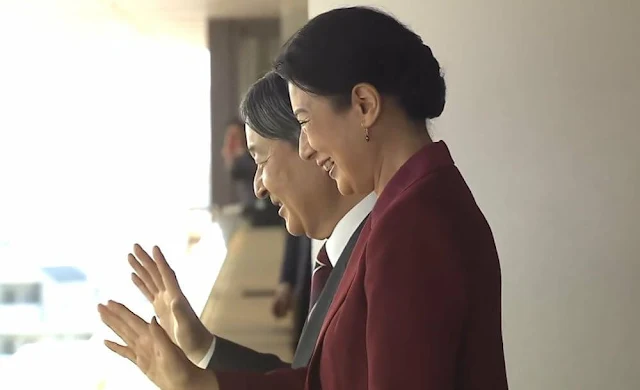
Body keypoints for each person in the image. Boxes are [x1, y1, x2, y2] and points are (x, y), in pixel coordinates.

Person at [100, 6, 509, 390]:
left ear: (364, 105)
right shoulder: (411, 207)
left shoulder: (412, 223)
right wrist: (199, 380)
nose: (307, 147)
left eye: (305, 122)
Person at [98, 71, 375, 376]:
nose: (259, 187)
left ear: (310, 142)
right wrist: (202, 348)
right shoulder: (346, 253)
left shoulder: (386, 256)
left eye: (261, 161)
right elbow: (312, 382)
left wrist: (194, 384)